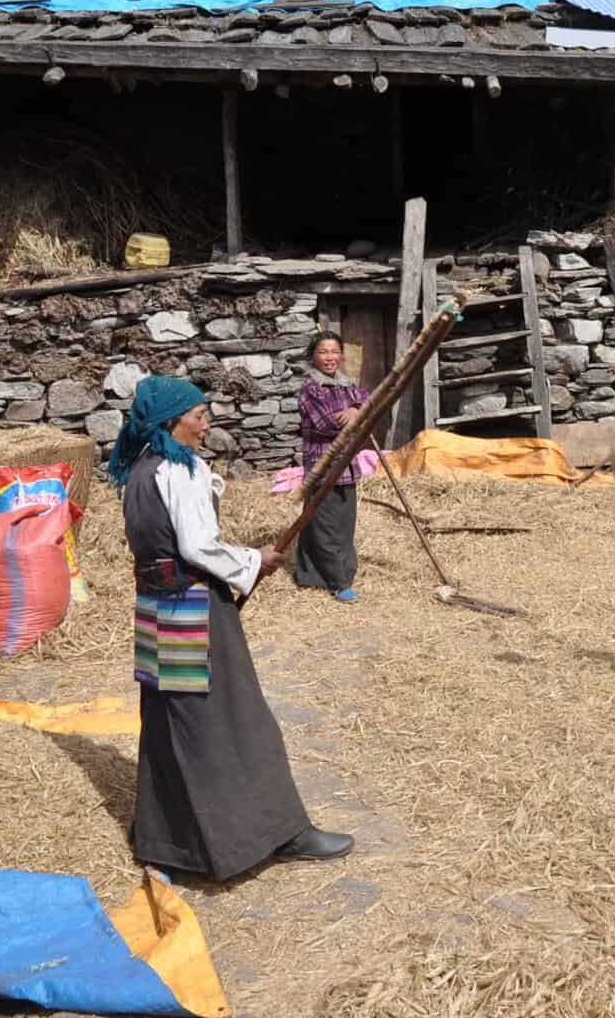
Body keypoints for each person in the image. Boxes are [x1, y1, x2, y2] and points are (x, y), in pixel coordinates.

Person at [112, 375, 353, 879]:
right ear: (174, 421)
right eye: (199, 415)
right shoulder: (179, 471)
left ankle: (168, 843)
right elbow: (198, 546)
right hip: (196, 607)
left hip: (159, 606)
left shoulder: (140, 469)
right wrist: (253, 559)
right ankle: (274, 831)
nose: (207, 423)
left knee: (172, 720)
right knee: (232, 720)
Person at [296, 331, 369, 603]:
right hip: (323, 464)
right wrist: (357, 414)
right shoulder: (311, 389)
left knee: (344, 523)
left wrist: (356, 410)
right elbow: (327, 424)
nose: (330, 357)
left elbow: (369, 401)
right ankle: (338, 582)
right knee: (323, 523)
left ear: (342, 355)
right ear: (313, 356)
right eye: (323, 352)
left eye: (334, 351)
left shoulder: (347, 385)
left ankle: (310, 574)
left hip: (347, 465)